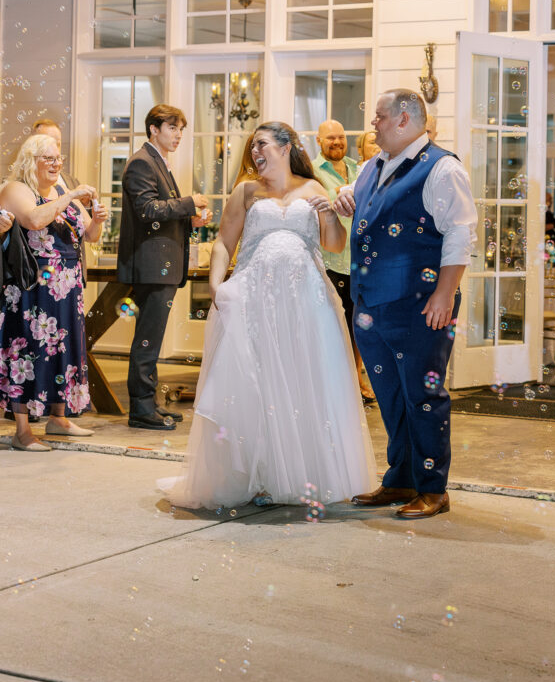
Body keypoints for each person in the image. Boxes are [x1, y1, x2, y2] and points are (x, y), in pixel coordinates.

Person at [159, 121, 376, 510]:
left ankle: (303, 475)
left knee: (302, 379)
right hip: (255, 298)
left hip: (306, 301)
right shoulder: (245, 190)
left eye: (262, 144)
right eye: (253, 146)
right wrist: (216, 286)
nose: (255, 152)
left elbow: (333, 244)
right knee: (255, 384)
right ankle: (257, 475)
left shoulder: (313, 188)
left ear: (286, 146)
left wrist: (328, 214)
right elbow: (224, 242)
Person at [334, 89, 477, 519]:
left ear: (403, 119)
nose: (371, 124)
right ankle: (399, 479)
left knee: (424, 396)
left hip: (421, 305)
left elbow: (460, 233)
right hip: (371, 304)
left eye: (378, 116)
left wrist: (445, 293)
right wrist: (344, 196)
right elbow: (364, 202)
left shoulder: (443, 168)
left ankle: (433, 489)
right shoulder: (371, 166)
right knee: (391, 395)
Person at [0, 134, 107, 450]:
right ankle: (22, 431)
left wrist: (98, 220)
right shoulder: (17, 189)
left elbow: (89, 235)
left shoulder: (62, 191)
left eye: (59, 158)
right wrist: (71, 193)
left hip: (67, 288)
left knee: (65, 350)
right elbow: (34, 220)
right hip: (33, 288)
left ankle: (58, 418)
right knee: (28, 351)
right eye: (49, 158)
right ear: (31, 160)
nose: (57, 163)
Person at [117, 104, 210, 432]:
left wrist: (190, 218)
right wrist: (189, 203)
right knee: (147, 340)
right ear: (154, 129)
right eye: (173, 128)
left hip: (162, 265)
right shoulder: (142, 162)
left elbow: (160, 213)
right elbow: (146, 210)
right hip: (151, 265)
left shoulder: (157, 162)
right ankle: (141, 410)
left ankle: (150, 404)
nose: (179, 135)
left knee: (151, 339)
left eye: (181, 129)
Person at [313, 119, 375, 403]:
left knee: (360, 325)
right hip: (332, 260)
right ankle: (338, 387)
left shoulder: (359, 167)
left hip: (364, 259)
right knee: (335, 327)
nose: (336, 142)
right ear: (319, 141)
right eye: (330, 139)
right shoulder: (312, 173)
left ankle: (357, 377)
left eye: (340, 137)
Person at [32, 118, 88, 284]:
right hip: (38, 272)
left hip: (71, 271)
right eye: (46, 141)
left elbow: (84, 227)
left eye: (57, 142)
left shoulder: (70, 181)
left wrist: (89, 206)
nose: (53, 146)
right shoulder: (22, 184)